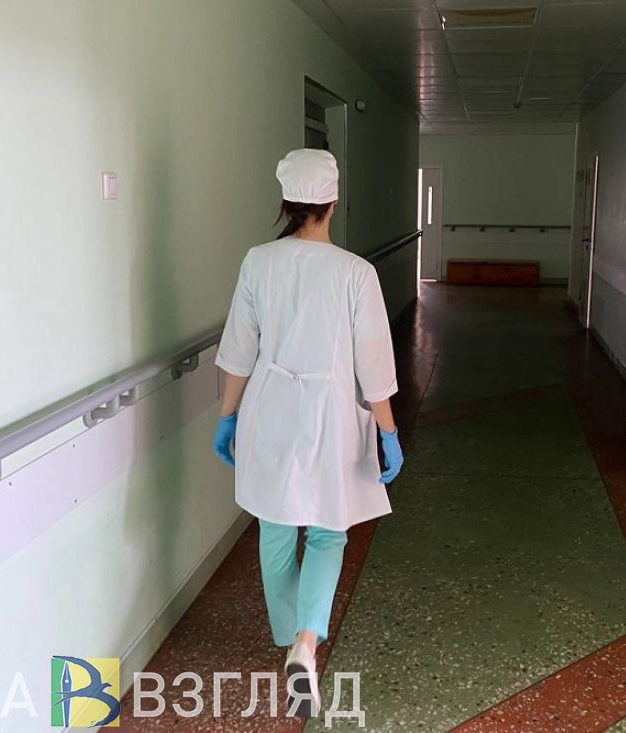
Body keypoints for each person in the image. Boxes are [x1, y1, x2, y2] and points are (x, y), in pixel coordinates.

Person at [211, 148, 404, 718]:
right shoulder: (355, 272)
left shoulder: (258, 262)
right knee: (327, 532)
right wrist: (388, 432)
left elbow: (239, 350)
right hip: (330, 413)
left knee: (275, 527)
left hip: (269, 408)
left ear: (287, 202)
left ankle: (288, 636)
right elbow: (374, 365)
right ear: (333, 201)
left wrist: (227, 416)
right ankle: (306, 642)